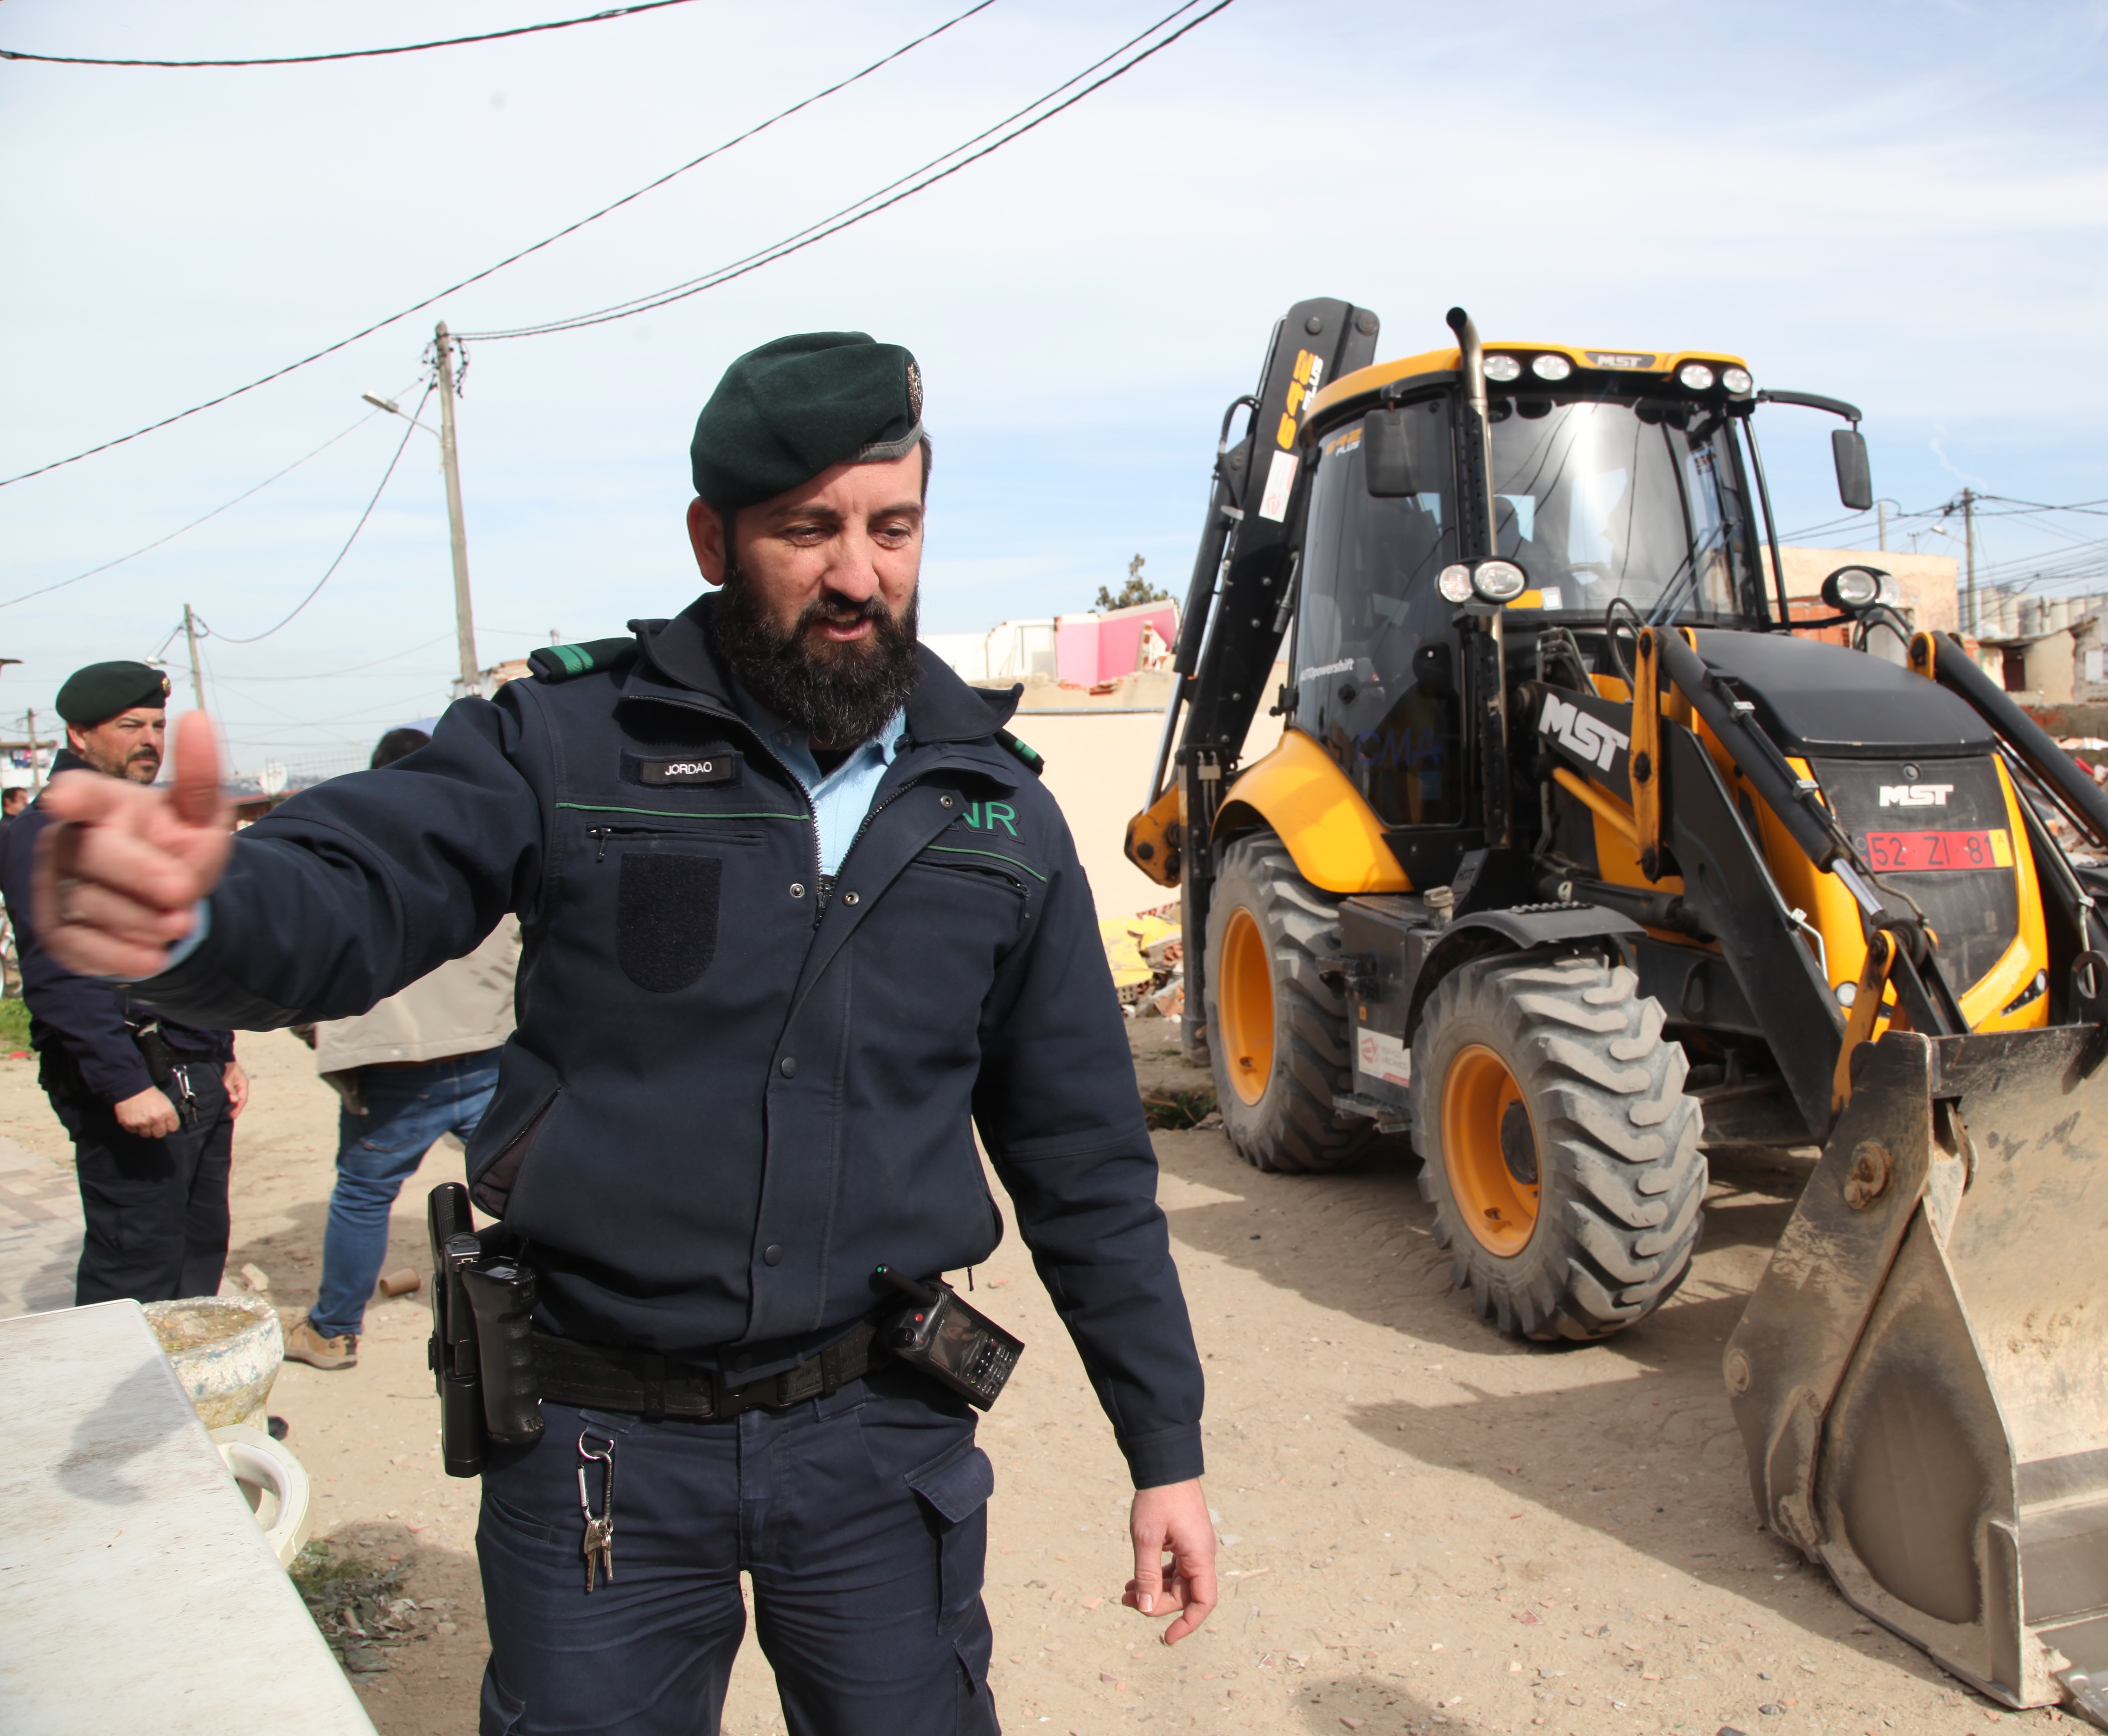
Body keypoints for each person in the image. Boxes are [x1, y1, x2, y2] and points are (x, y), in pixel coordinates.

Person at [34, 332, 1214, 1734]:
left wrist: (1166, 1447)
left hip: (877, 1442)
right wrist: (206, 916)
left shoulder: (995, 808)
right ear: (714, 539)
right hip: (599, 1444)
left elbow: (1084, 1160)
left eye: (892, 528)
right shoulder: (571, 743)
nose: (859, 575)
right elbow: (364, 877)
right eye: (808, 530)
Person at [0, 662, 247, 1302]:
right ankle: (123, 1377)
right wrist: (125, 1084)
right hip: (133, 1080)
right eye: (130, 726)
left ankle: (187, 1373)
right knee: (135, 1266)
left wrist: (222, 1052)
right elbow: (60, 974)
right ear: (79, 735)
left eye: (158, 727)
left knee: (197, 1256)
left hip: (193, 1071)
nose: (149, 741)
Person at [284, 725, 517, 1372]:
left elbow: (305, 957)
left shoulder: (347, 844)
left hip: (394, 1066)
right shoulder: (487, 834)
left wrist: (312, 1029)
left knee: (364, 1194)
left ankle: (334, 1331)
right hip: (486, 1048)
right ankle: (557, 1306)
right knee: (525, 1179)